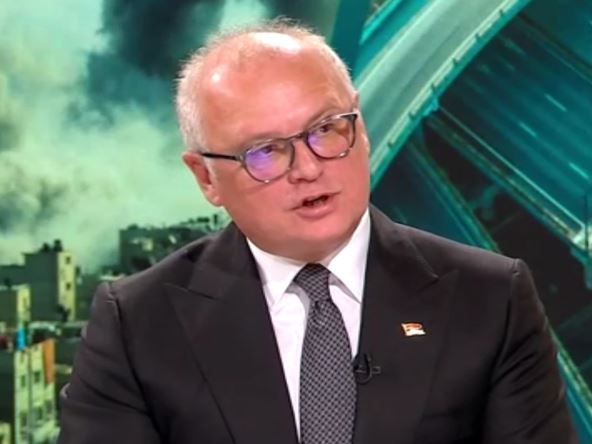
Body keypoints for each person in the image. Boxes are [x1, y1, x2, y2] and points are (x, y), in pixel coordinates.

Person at [58, 19, 577, 444]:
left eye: (327, 129)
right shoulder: (137, 325)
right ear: (206, 178)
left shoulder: (490, 298)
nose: (308, 168)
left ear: (360, 127)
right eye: (265, 151)